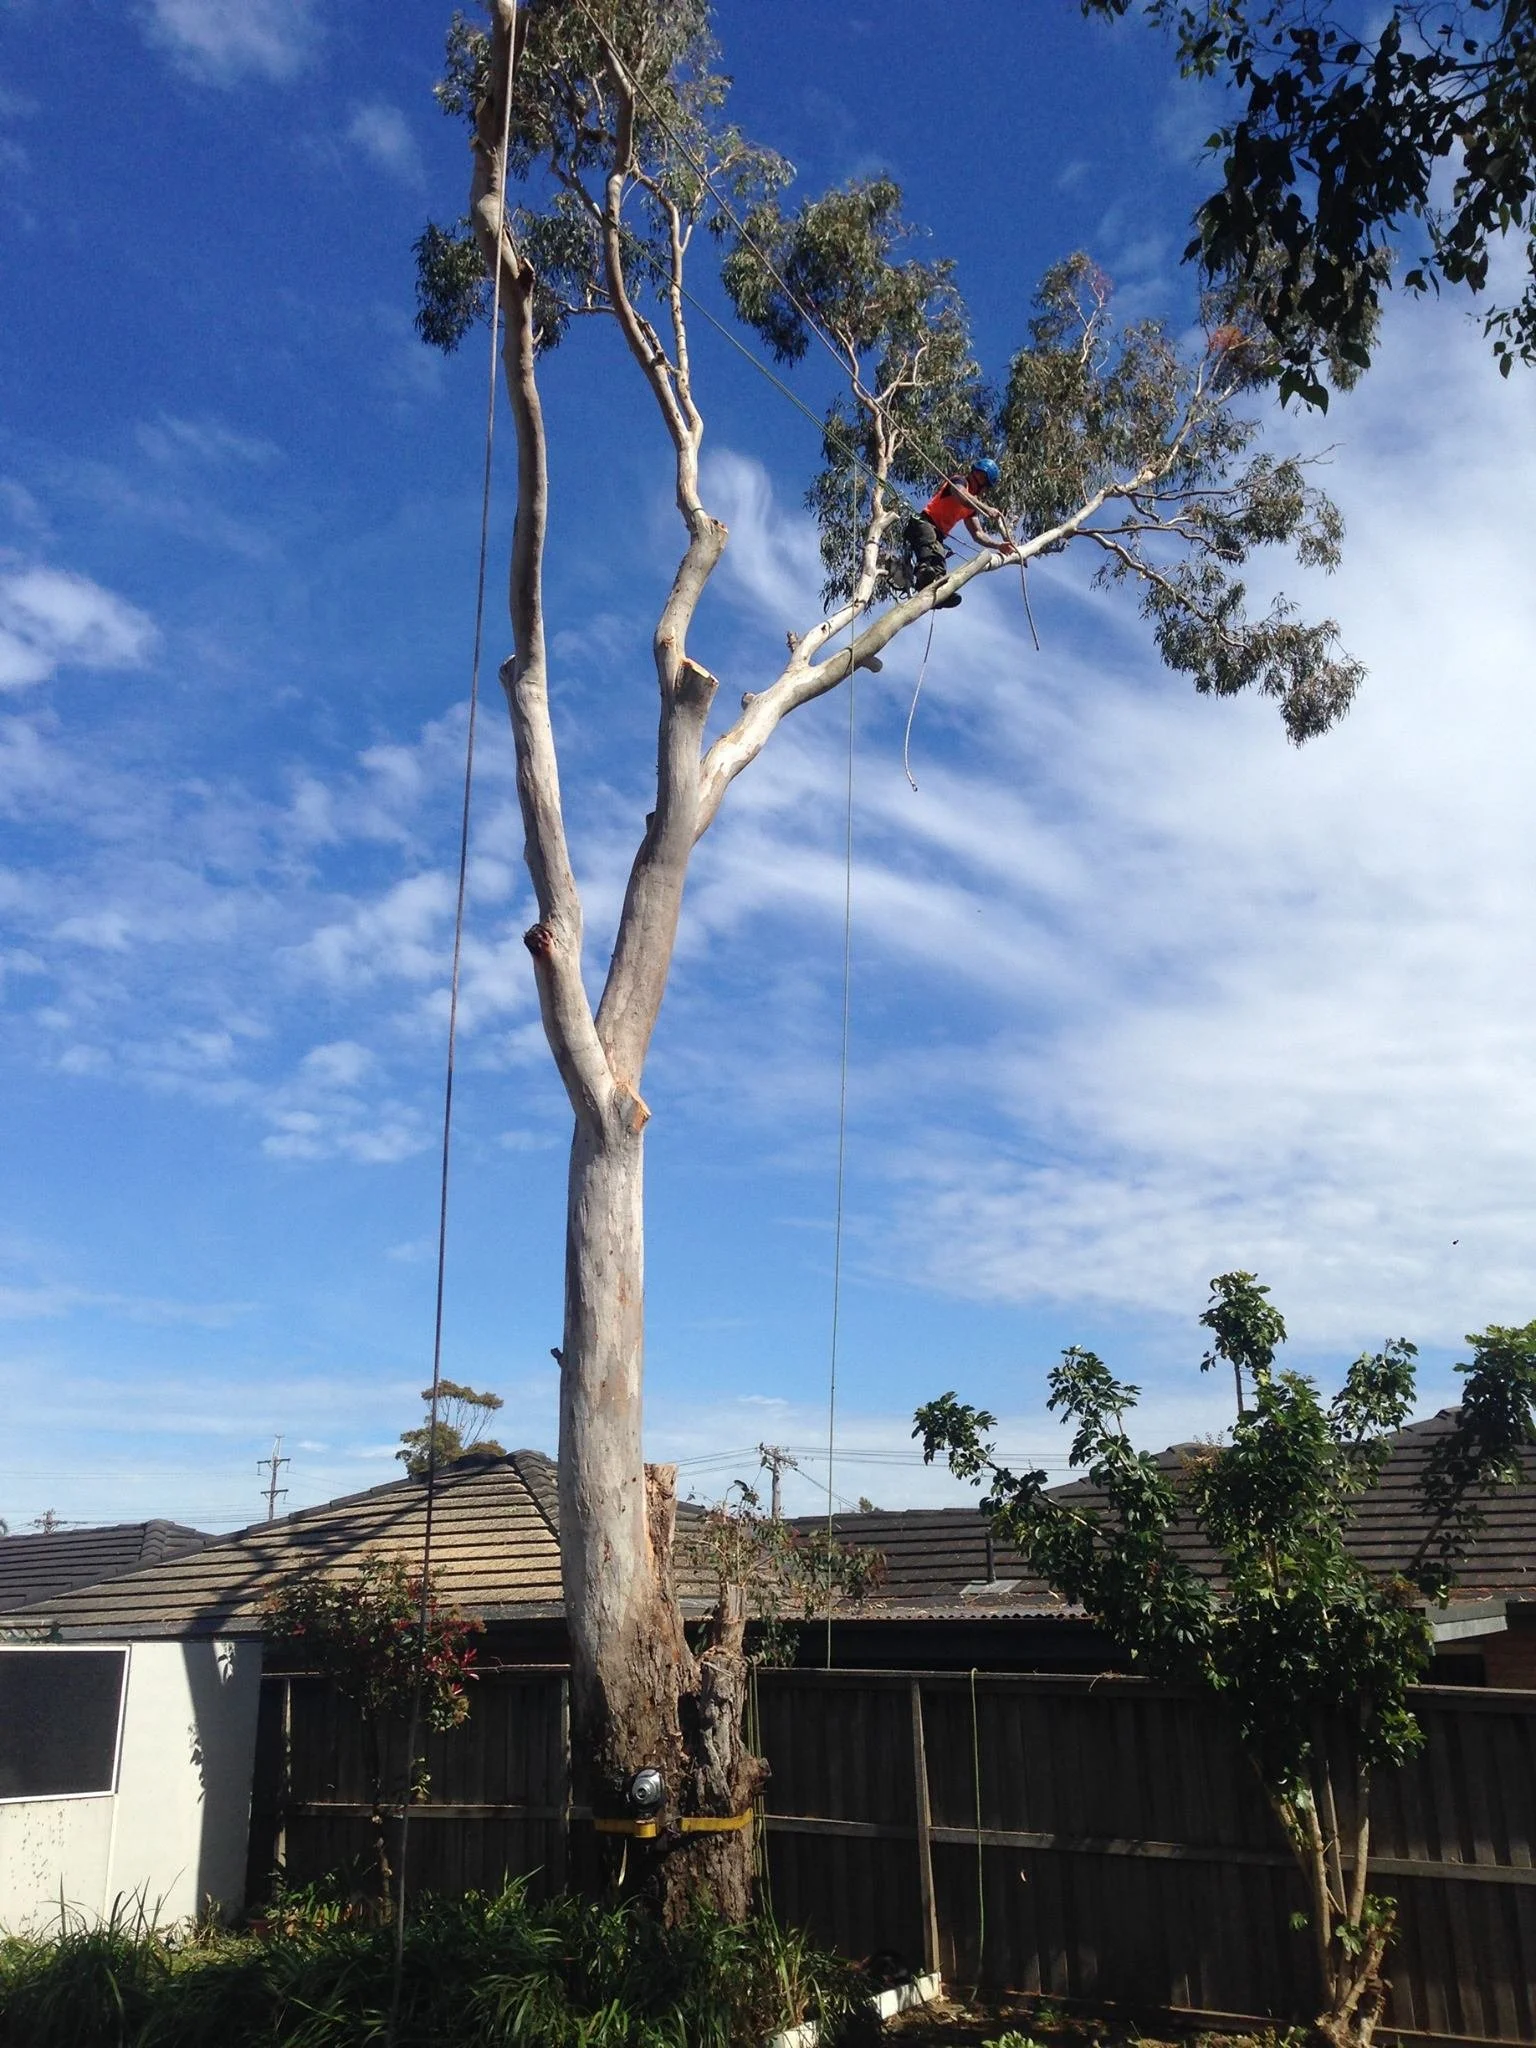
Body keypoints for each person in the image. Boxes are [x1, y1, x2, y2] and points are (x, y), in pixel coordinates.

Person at [903, 457, 1016, 608]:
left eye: (984, 482)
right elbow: (960, 495)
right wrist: (987, 509)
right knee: (929, 556)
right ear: (978, 475)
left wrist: (999, 546)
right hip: (924, 522)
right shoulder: (959, 481)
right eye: (981, 478)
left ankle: (935, 594)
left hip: (938, 535)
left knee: (939, 567)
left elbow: (978, 534)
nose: (981, 486)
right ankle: (923, 574)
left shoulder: (972, 508)